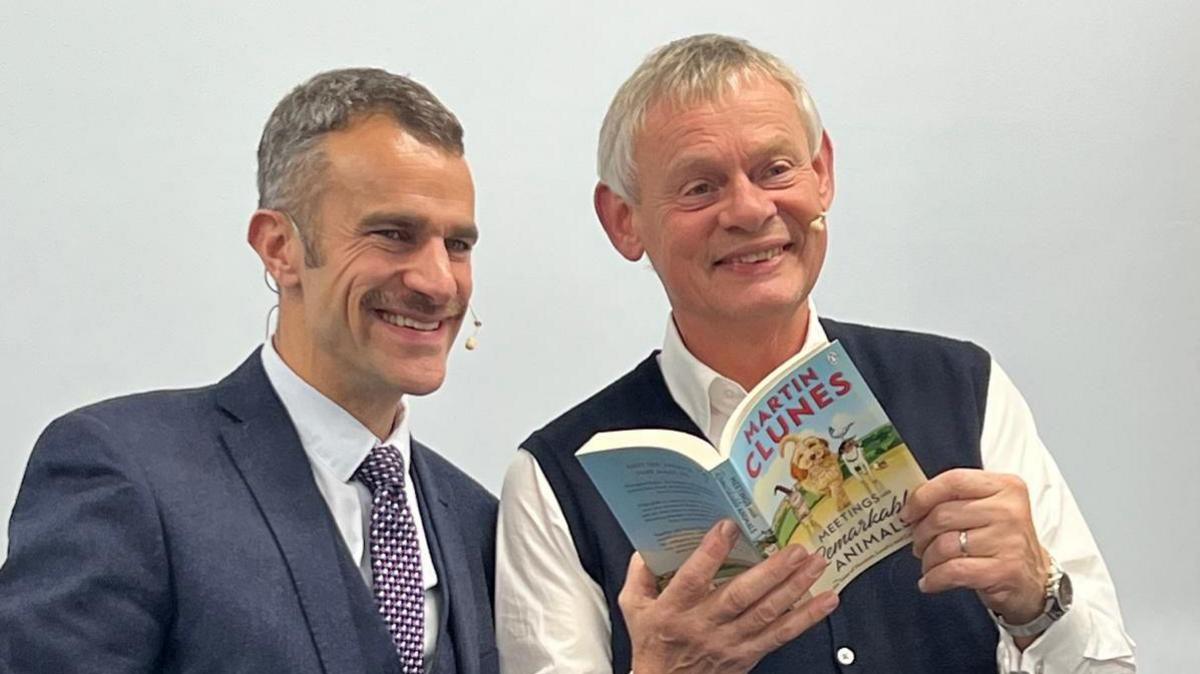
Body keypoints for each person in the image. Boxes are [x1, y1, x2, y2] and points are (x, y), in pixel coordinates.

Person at [495, 35, 1135, 673]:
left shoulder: (964, 389)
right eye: (699, 187)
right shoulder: (553, 480)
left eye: (775, 169)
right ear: (624, 221)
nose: (749, 209)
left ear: (822, 173)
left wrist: (1037, 602)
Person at [0, 68, 498, 674]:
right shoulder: (126, 472)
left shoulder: (480, 523)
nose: (438, 281)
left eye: (459, 245)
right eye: (393, 235)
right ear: (278, 247)